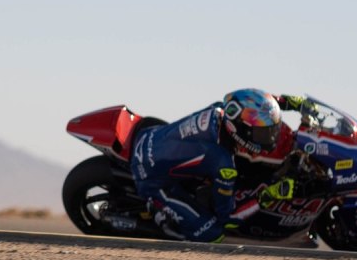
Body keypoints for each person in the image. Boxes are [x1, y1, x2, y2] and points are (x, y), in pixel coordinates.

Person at [129, 89, 307, 243]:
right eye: (262, 133)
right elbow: (228, 217)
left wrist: (287, 102)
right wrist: (268, 195)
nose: (270, 137)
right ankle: (162, 220)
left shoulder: (219, 110)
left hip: (149, 136)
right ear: (239, 129)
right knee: (213, 232)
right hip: (150, 177)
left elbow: (254, 104)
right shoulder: (223, 163)